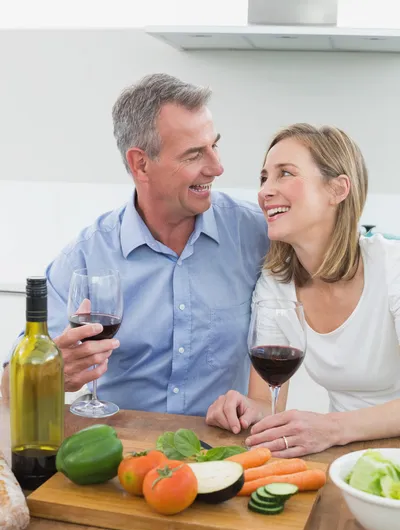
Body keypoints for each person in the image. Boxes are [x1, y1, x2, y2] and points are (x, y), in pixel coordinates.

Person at [1, 73, 269, 416]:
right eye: (193, 155)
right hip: (120, 454)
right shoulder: (87, 256)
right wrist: (49, 372)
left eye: (214, 145)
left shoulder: (255, 235)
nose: (217, 167)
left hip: (223, 453)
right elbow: (9, 387)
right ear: (140, 164)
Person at [206, 123, 400, 456]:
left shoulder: (391, 267)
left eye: (286, 174)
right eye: (264, 177)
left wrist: (332, 428)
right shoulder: (275, 284)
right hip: (342, 457)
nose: (266, 191)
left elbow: (329, 429)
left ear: (337, 190)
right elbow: (268, 401)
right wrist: (248, 409)